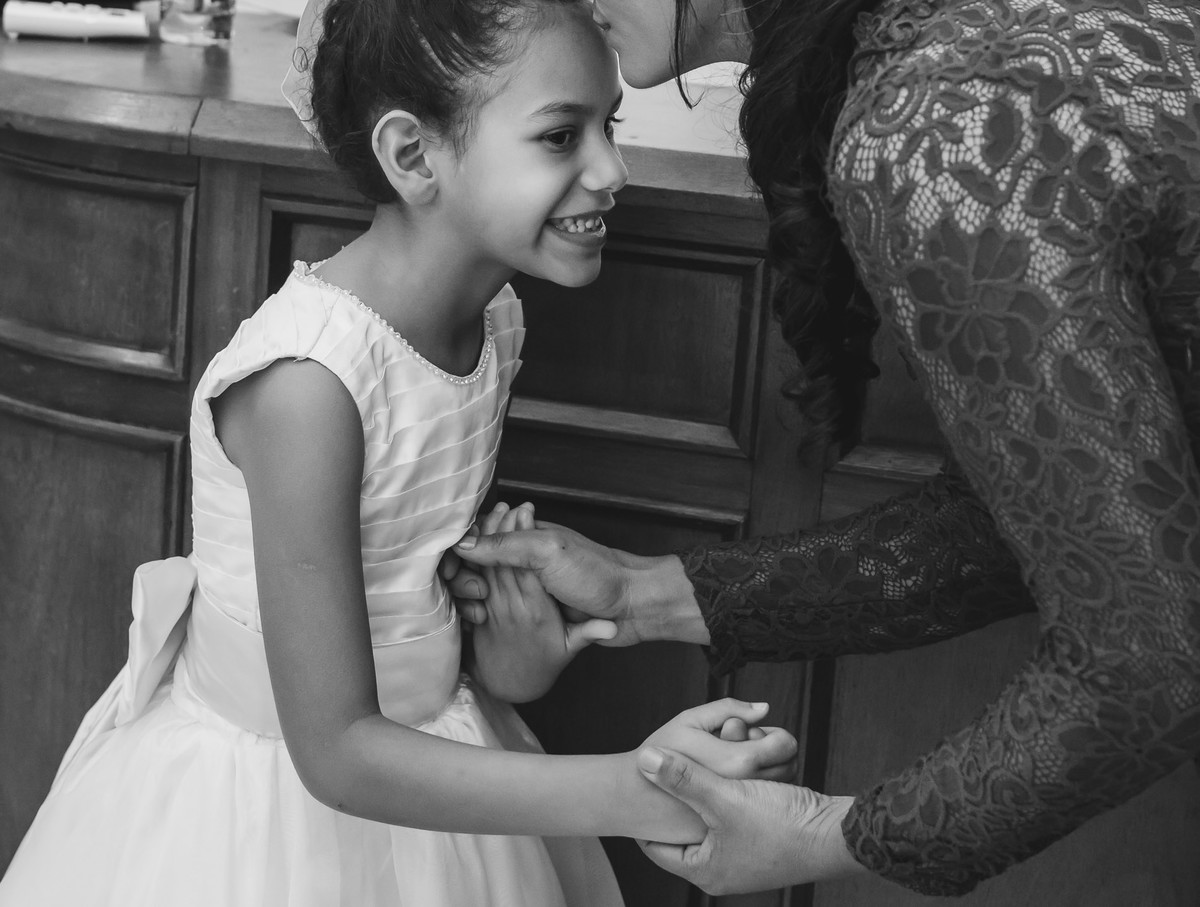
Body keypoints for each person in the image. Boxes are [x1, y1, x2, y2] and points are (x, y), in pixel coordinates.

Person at [0, 2, 801, 904]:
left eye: (607, 127)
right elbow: (337, 751)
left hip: (433, 756)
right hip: (268, 811)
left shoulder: (495, 322)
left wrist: (515, 657)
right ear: (414, 156)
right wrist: (642, 787)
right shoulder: (310, 384)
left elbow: (419, 602)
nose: (612, 170)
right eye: (560, 135)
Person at [449, 0, 1200, 898]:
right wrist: (642, 592)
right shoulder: (962, 52)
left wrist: (827, 834)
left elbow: (1146, 659)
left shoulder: (942, 131)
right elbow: (1029, 511)